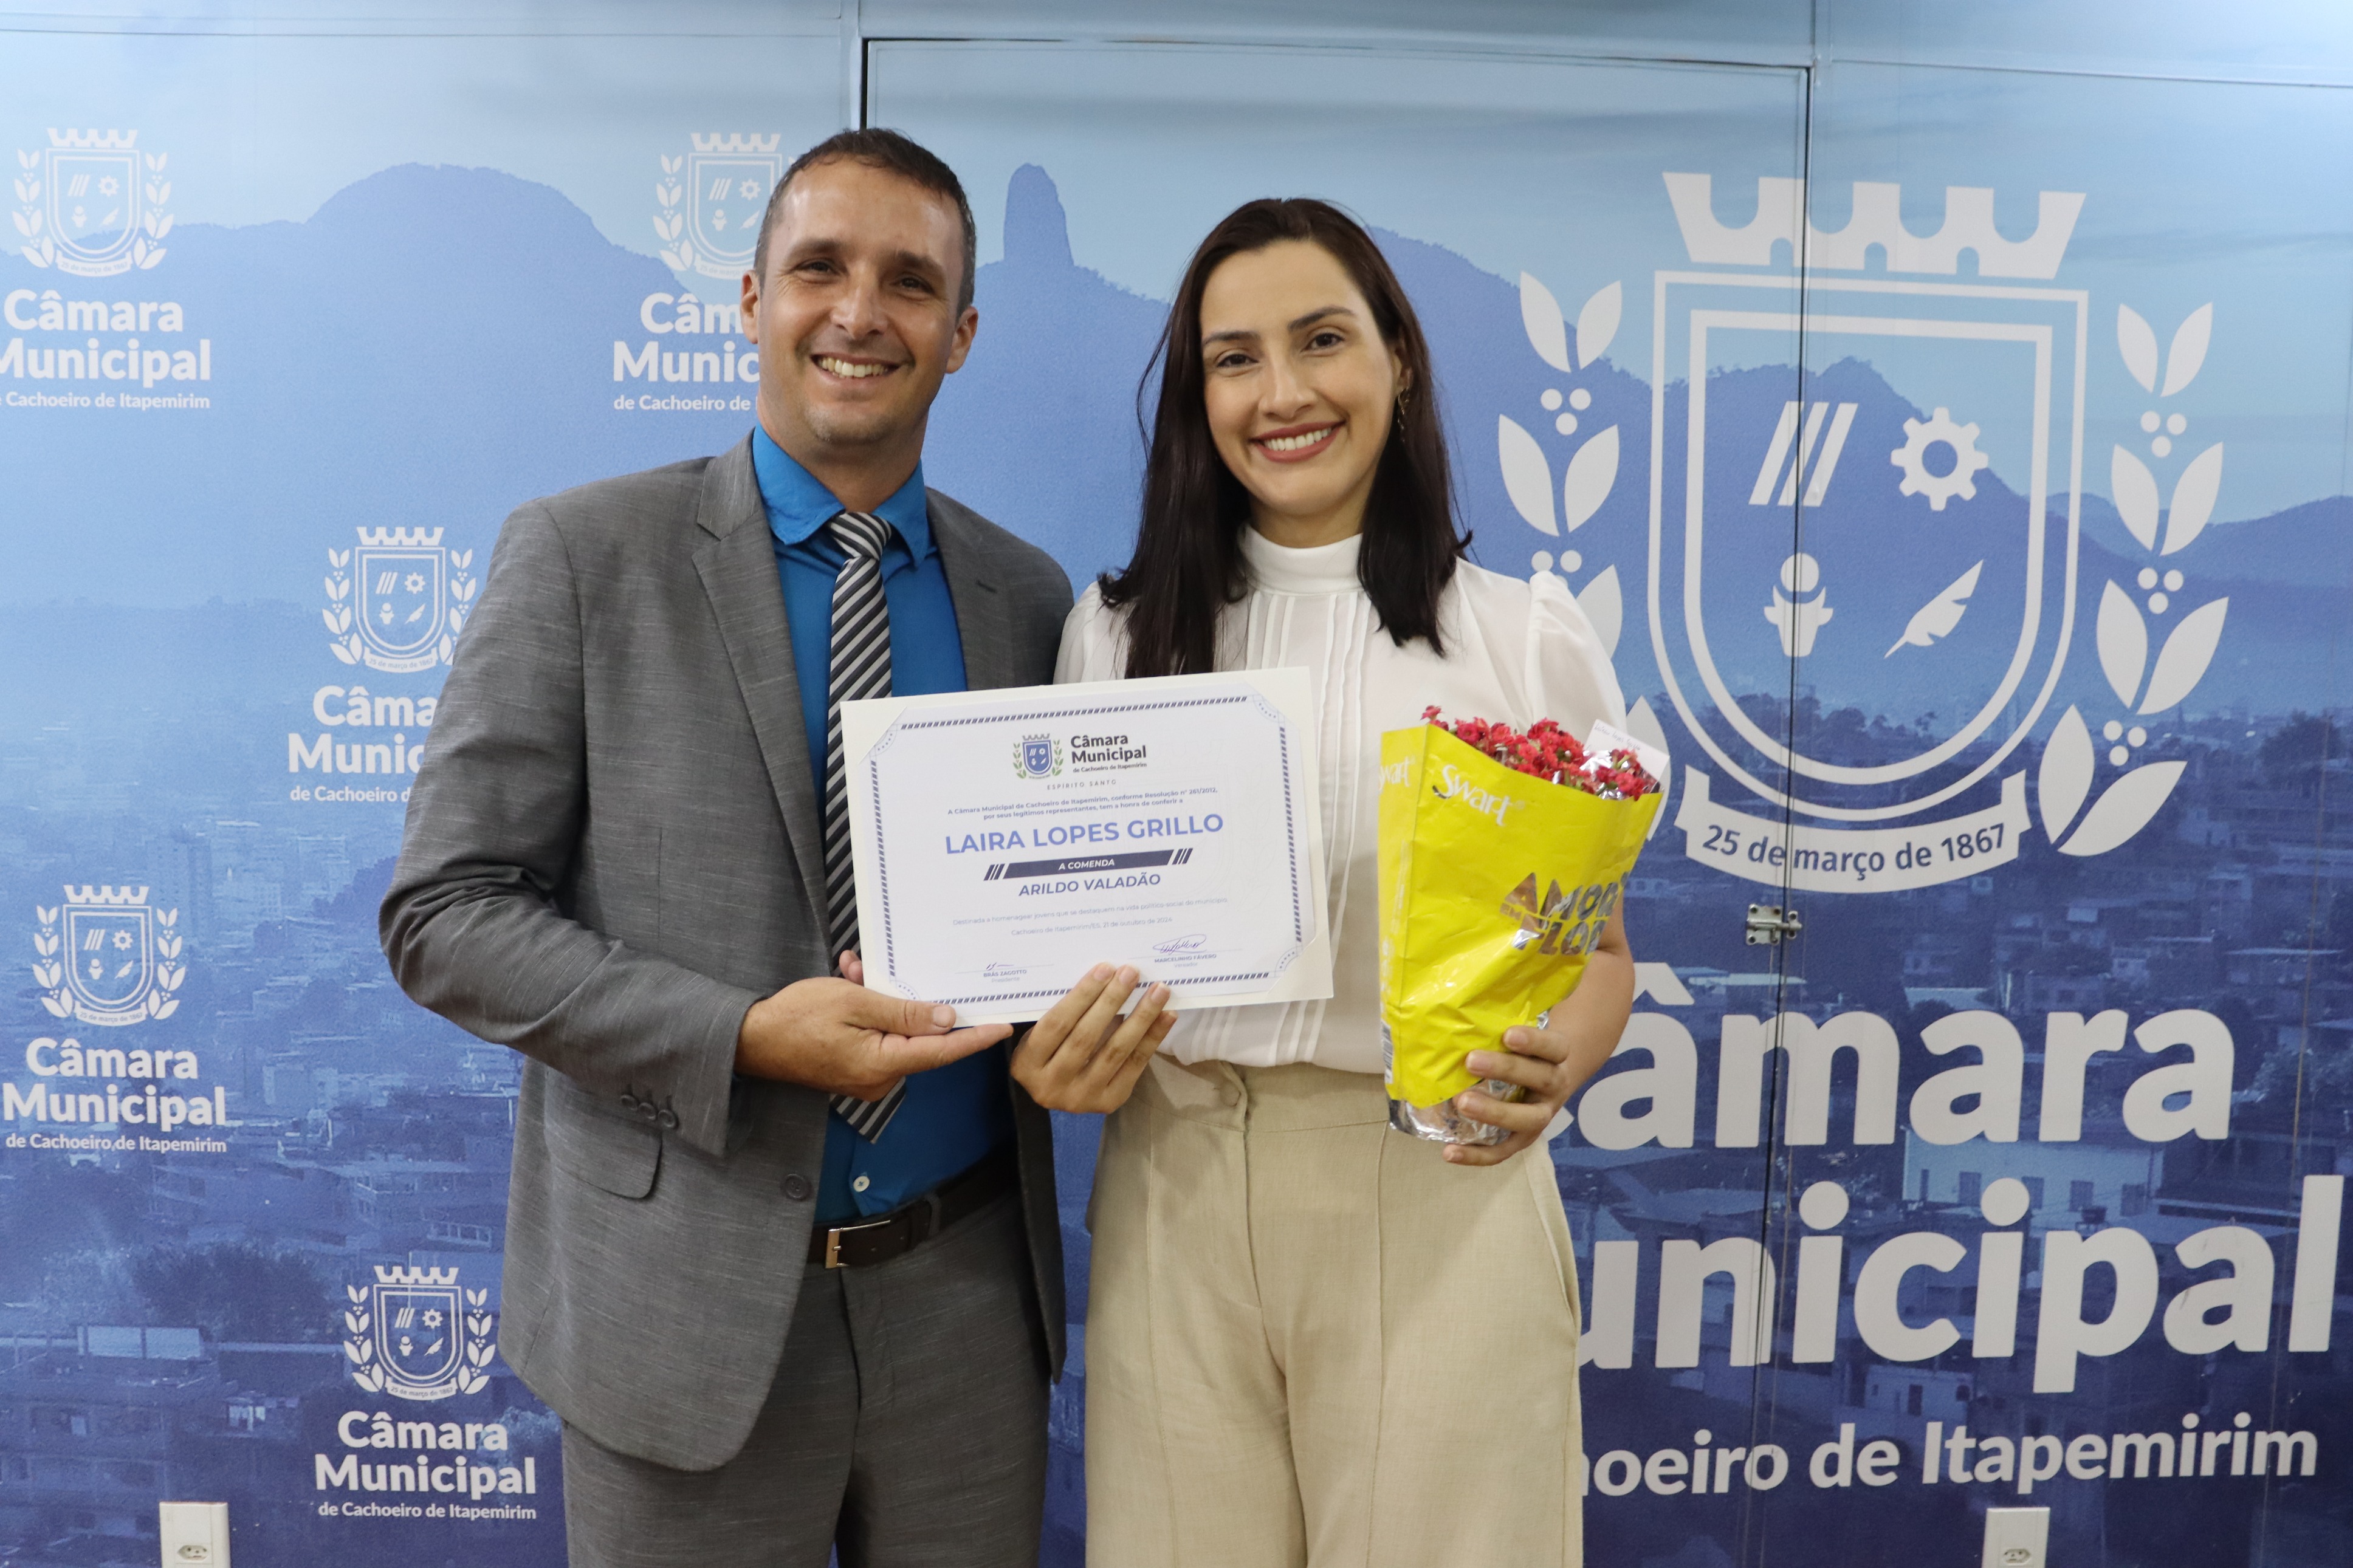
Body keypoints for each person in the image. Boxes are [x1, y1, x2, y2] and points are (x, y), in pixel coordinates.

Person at [380, 128, 1170, 1568]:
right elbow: (446, 913)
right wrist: (740, 1036)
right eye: (819, 268)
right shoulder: (583, 557)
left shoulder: (1024, 597)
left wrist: (1082, 1021)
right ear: (752, 300)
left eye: (910, 282)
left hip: (965, 1316)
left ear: (962, 333)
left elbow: (1050, 905)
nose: (860, 312)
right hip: (677, 1312)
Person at [1057, 198, 1635, 1567]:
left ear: (1399, 361)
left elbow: (1600, 948)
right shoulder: (1117, 638)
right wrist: (1053, 1040)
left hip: (1435, 1185)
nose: (1283, 393)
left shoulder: (1524, 640)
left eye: (1322, 340)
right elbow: (1068, 938)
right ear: (1197, 398)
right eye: (1234, 358)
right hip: (1173, 1188)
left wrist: (1561, 1059)